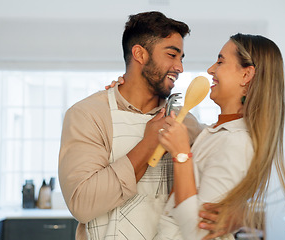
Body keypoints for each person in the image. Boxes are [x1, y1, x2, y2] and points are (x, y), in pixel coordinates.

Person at [58, 11, 219, 240]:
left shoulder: (184, 121)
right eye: (172, 55)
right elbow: (83, 205)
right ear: (139, 54)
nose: (180, 67)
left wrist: (237, 211)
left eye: (181, 58)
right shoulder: (89, 115)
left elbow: (228, 161)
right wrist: (148, 143)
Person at [153, 33, 285, 239]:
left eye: (220, 61)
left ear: (246, 75)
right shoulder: (214, 132)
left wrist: (181, 154)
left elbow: (198, 233)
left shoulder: (237, 142)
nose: (211, 69)